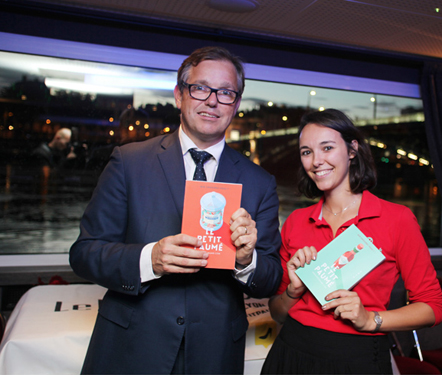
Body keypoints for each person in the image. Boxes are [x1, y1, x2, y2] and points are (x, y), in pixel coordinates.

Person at [69, 46, 283, 375]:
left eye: (225, 92)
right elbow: (84, 253)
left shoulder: (259, 182)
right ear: (179, 96)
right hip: (131, 346)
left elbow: (270, 278)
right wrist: (149, 259)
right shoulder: (129, 162)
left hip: (214, 353)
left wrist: (246, 260)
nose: (212, 100)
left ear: (236, 105)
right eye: (200, 88)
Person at [261, 109, 442, 374]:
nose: (316, 161)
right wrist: (293, 291)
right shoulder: (296, 221)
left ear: (351, 150)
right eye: (306, 152)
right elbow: (277, 313)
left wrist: (370, 319)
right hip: (291, 354)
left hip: (357, 359)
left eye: (327, 147)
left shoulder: (397, 219)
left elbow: (433, 308)